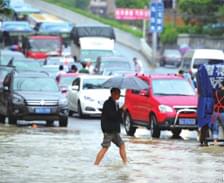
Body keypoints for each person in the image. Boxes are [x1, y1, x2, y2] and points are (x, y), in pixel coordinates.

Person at [94, 88, 127, 165]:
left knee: (122, 145)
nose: (119, 96)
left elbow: (117, 117)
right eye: (118, 94)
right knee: (105, 147)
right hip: (109, 130)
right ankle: (96, 164)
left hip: (114, 130)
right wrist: (121, 110)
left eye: (119, 94)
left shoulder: (115, 103)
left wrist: (122, 110)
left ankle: (125, 163)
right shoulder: (107, 103)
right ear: (113, 94)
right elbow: (112, 116)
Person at [211, 80, 224, 145]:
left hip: (214, 113)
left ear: (221, 85)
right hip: (222, 112)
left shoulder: (215, 92)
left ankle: (215, 140)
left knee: (214, 126)